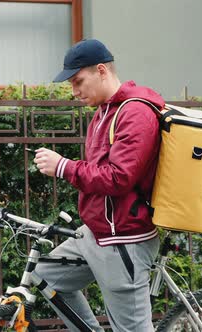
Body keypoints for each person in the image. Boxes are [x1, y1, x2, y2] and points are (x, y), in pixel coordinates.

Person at [32, 39, 163, 332]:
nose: (74, 91)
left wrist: (64, 166)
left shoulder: (135, 113)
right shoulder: (103, 113)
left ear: (101, 70)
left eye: (78, 81)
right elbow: (97, 172)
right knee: (45, 276)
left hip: (125, 240)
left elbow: (118, 177)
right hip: (95, 234)